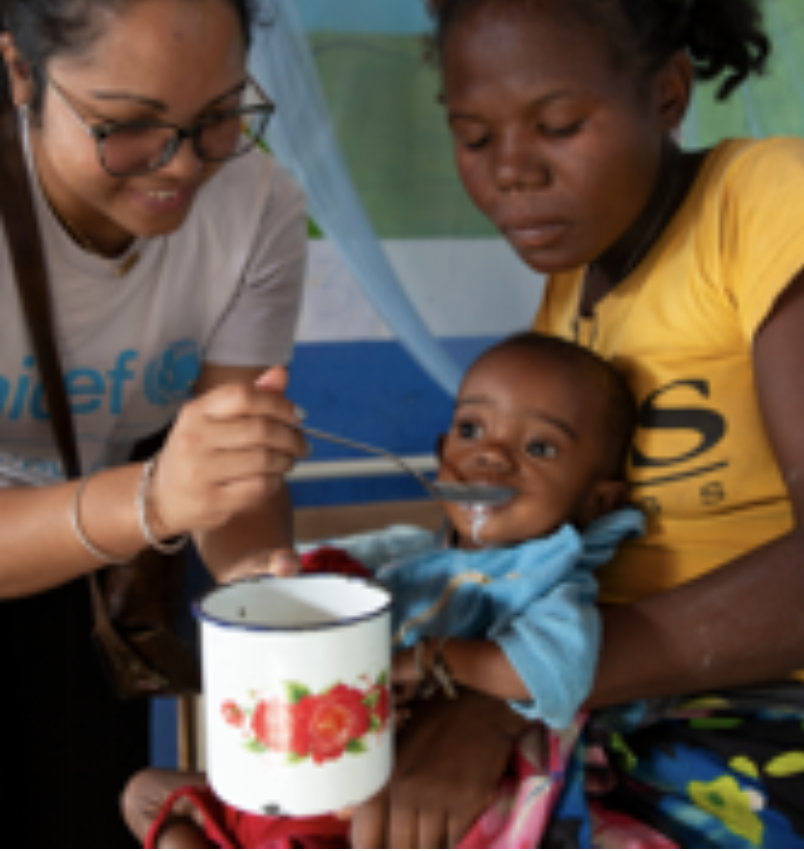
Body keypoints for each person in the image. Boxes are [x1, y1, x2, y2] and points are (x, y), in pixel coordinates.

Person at [342, 0, 804, 850]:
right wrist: (486, 695)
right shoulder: (569, 310)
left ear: (669, 93)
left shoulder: (761, 206)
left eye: (557, 124)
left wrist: (502, 683)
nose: (510, 170)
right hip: (617, 706)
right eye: (474, 137)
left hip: (759, 716)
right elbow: (533, 563)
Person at [0, 0, 308, 847]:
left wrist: (278, 604)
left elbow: (229, 477)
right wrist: (156, 501)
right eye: (128, 124)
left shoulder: (256, 207)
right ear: (19, 72)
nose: (179, 167)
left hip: (98, 592)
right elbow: (177, 492)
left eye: (219, 117)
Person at [121, 330, 644, 848]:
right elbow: (304, 572)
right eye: (470, 429)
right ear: (440, 455)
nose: (491, 455)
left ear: (597, 502)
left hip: (400, 801)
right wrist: (275, 573)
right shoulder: (409, 554)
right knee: (143, 791)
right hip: (312, 771)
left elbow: (558, 670)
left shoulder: (549, 579)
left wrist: (435, 659)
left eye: (539, 446)